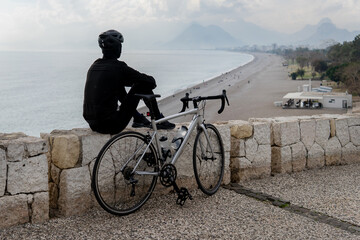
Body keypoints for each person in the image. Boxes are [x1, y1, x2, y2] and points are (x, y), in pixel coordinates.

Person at [83, 29, 175, 134]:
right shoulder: (118, 67)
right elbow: (150, 82)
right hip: (111, 125)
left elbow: (113, 81)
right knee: (142, 85)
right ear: (118, 48)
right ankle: (159, 120)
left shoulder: (94, 66)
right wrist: (134, 82)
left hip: (93, 124)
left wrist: (125, 81)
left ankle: (138, 118)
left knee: (118, 84)